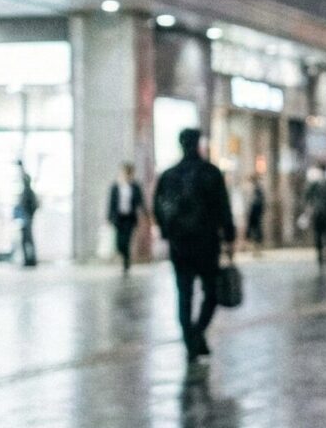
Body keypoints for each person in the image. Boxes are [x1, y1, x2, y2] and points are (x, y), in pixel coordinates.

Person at [152, 128, 235, 361]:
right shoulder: (210, 173)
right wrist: (229, 236)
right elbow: (223, 207)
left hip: (180, 245)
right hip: (207, 243)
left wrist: (167, 233)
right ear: (199, 144)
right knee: (211, 293)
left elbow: (157, 207)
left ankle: (190, 340)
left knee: (184, 294)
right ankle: (197, 333)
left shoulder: (169, 176)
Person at [107, 162, 144, 274]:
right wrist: (109, 218)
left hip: (129, 217)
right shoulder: (115, 186)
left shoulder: (135, 186)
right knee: (119, 242)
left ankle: (126, 263)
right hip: (118, 217)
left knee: (126, 240)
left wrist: (145, 214)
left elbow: (140, 202)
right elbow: (111, 203)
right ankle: (124, 257)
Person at [302, 164, 326, 265]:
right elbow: (307, 198)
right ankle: (319, 254)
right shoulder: (313, 185)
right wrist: (309, 210)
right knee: (318, 234)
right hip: (317, 214)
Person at [14, 161, 39, 267]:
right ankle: (29, 260)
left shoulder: (28, 192)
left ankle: (30, 260)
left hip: (27, 219)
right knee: (26, 240)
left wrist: (28, 215)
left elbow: (34, 205)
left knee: (27, 240)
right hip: (26, 218)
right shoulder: (27, 191)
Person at [244, 177, 267, 255]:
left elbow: (260, 203)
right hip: (254, 214)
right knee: (254, 231)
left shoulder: (257, 191)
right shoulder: (255, 190)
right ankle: (255, 250)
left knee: (255, 231)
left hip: (255, 214)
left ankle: (256, 250)